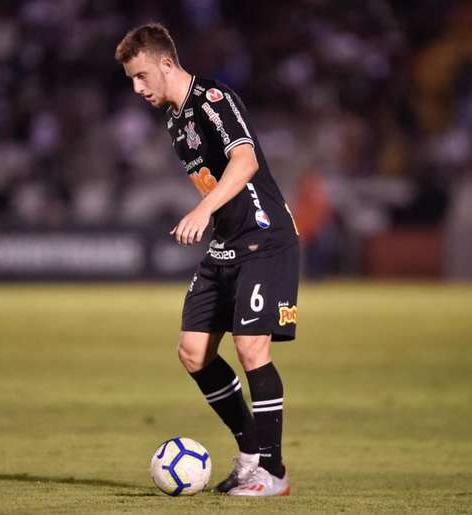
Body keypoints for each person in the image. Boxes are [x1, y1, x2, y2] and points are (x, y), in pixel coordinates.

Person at [115, 23, 299, 497]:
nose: (137, 89)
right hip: (226, 244)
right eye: (131, 81)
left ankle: (273, 471)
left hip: (265, 238)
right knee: (193, 352)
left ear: (167, 63)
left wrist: (202, 208)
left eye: (141, 77)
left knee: (251, 347)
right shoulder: (175, 120)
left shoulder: (214, 99)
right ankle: (250, 455)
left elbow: (246, 161)